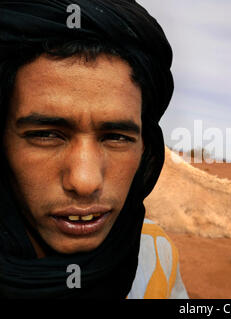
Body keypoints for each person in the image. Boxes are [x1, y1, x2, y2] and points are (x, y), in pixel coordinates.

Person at [0, 0, 188, 299]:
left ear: (145, 149)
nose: (85, 182)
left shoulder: (155, 253)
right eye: (46, 135)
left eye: (116, 137)